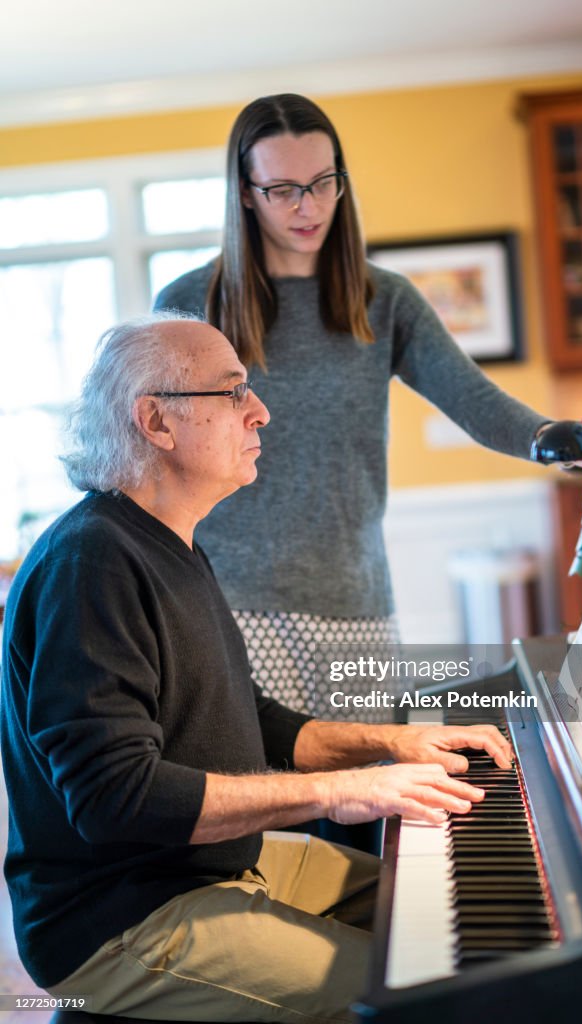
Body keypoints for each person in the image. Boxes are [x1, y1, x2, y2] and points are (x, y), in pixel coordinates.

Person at [0, 313, 514, 1023]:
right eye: (234, 391)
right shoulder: (92, 563)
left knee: (454, 901)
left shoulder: (171, 544)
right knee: (430, 996)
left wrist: (392, 744)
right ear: (156, 421)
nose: (261, 411)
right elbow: (114, 798)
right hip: (121, 917)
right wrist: (340, 792)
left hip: (217, 867)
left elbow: (256, 718)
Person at [154, 92, 582, 721]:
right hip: (227, 602)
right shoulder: (193, 302)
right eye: (284, 190)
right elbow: (156, 448)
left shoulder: (385, 300)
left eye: (325, 183)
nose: (310, 206)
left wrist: (566, 437)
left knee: (372, 803)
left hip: (358, 604)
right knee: (269, 804)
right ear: (245, 192)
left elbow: (472, 399)